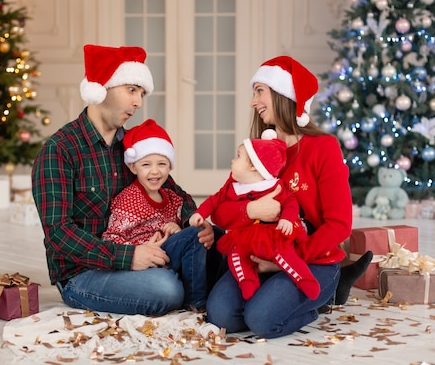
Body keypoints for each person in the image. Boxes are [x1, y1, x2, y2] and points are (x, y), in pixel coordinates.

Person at [32, 44, 214, 316]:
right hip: (83, 274)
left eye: (141, 93)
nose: (138, 102)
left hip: (146, 251)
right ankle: (194, 285)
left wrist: (193, 220)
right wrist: (128, 257)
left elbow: (177, 194)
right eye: (131, 90)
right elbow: (59, 233)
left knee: (214, 238)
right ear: (102, 87)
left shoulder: (133, 147)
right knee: (166, 290)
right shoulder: (59, 149)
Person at [205, 55, 372, 338]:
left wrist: (284, 261)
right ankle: (281, 298)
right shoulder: (257, 151)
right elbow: (220, 211)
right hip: (257, 255)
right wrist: (251, 211)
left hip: (313, 260)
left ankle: (326, 295)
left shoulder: (323, 148)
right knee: (221, 316)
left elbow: (339, 225)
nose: (252, 102)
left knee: (261, 320)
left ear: (283, 95)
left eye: (260, 91)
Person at [189, 130, 319, 301]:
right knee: (236, 255)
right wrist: (200, 212)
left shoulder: (274, 186)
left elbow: (290, 202)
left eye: (237, 156)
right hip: (246, 237)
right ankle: (247, 280)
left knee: (284, 255)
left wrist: (287, 218)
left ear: (253, 166)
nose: (232, 160)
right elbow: (215, 200)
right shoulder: (234, 186)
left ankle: (304, 278)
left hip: (272, 235)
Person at [102, 118, 207, 310]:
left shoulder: (173, 198)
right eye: (146, 165)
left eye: (161, 164)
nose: (155, 171)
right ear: (133, 167)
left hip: (167, 253)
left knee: (207, 233)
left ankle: (208, 288)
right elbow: (111, 237)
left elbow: (181, 226)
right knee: (194, 235)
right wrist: (138, 249)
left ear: (170, 166)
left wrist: (177, 227)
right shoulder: (128, 200)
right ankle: (196, 302)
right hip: (143, 259)